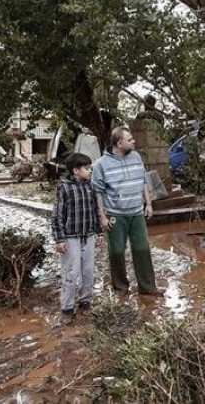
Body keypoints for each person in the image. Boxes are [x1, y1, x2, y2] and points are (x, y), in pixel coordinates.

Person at [91, 127, 163, 296]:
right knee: (116, 251)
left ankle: (148, 287)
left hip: (137, 212)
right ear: (119, 143)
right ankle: (121, 288)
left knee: (142, 249)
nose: (134, 142)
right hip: (115, 214)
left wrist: (149, 204)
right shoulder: (101, 164)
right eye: (130, 140)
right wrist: (102, 216)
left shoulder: (136, 157)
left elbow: (143, 181)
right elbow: (98, 192)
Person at [51, 153, 102, 323]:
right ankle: (67, 308)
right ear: (75, 170)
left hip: (88, 235)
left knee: (88, 270)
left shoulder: (90, 186)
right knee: (71, 271)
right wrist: (59, 239)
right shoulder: (63, 187)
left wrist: (99, 232)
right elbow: (57, 215)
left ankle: (86, 302)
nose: (89, 171)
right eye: (86, 168)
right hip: (70, 237)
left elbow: (94, 210)